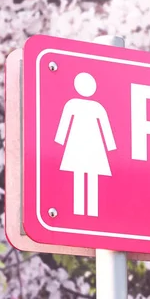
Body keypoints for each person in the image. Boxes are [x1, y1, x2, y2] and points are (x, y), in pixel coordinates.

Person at [55, 72, 116, 217]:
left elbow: (105, 127)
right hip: (78, 143)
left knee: (92, 175)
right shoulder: (73, 104)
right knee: (79, 174)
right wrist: (59, 140)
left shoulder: (96, 107)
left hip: (92, 144)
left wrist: (111, 145)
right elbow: (64, 123)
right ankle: (79, 210)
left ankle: (91, 211)